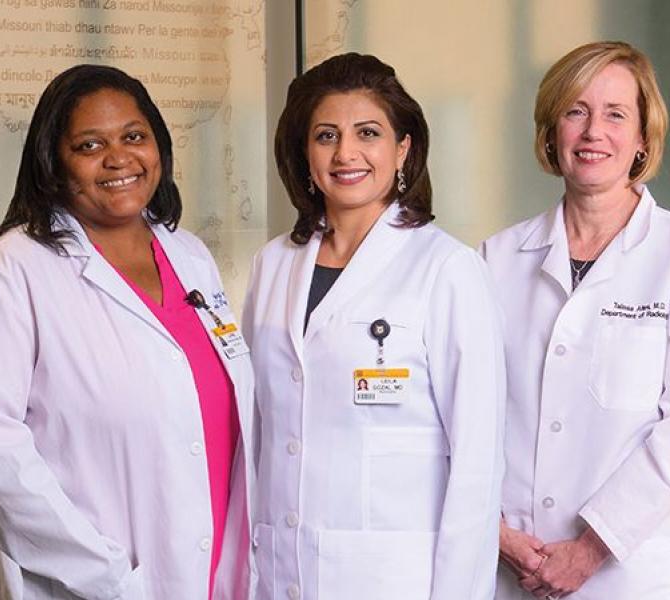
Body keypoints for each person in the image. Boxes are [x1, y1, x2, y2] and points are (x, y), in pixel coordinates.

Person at [0, 64, 255, 600]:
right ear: (54, 163)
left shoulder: (189, 255)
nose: (118, 158)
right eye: (90, 145)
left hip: (216, 578)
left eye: (134, 137)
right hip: (95, 585)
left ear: (158, 145)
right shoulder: (9, 273)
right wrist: (107, 577)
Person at [242, 52, 505, 599]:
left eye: (368, 133)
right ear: (304, 152)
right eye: (326, 135)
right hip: (278, 572)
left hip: (392, 578)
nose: (346, 154)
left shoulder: (447, 269)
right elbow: (258, 432)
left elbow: (477, 467)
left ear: (402, 148)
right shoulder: (273, 265)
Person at [481, 41, 670, 600]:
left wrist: (592, 547)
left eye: (616, 114)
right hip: (510, 568)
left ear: (643, 137)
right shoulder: (495, 259)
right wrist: (497, 535)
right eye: (576, 111)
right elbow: (461, 414)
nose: (594, 131)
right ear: (552, 133)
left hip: (628, 571)